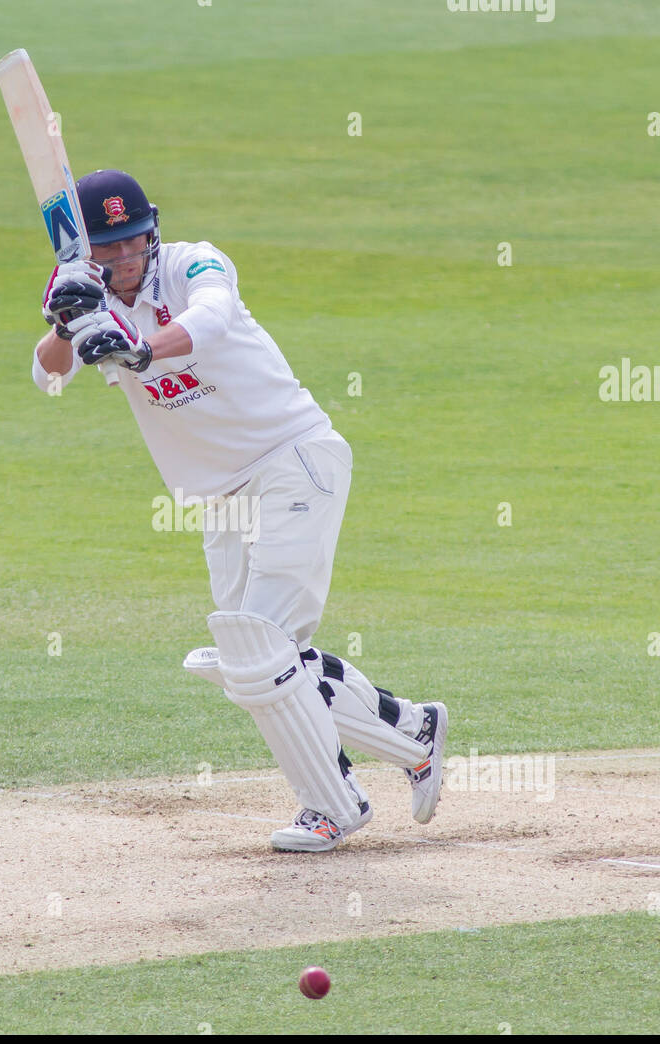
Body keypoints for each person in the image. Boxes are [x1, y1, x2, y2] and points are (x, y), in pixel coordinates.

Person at [30, 169, 447, 852]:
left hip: (292, 457)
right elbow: (49, 374)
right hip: (219, 496)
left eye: (135, 242)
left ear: (152, 230)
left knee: (260, 651)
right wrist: (62, 323)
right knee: (255, 667)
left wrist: (138, 348)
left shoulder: (195, 261)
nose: (126, 260)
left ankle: (333, 804)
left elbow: (212, 317)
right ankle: (413, 732)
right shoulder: (81, 292)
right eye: (110, 250)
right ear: (89, 251)